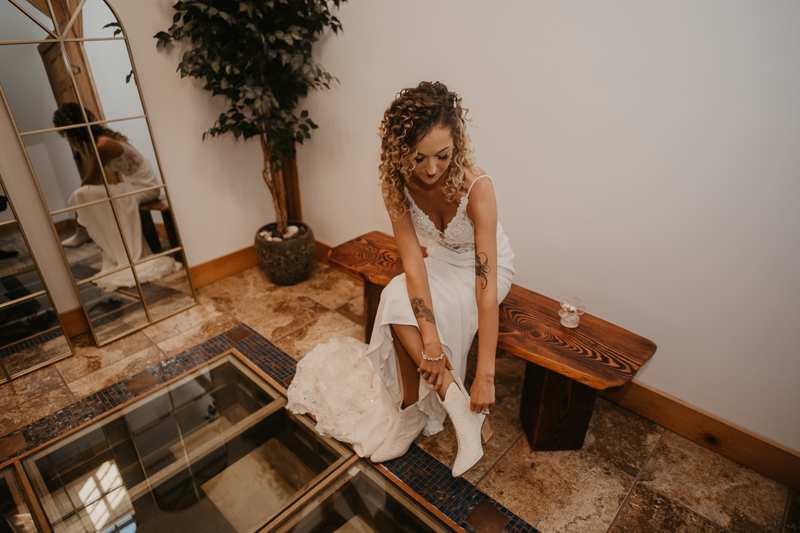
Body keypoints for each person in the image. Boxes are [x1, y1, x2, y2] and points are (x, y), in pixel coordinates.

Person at [288, 81, 514, 477]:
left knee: (400, 307)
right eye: (418, 157)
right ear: (400, 150)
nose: (430, 169)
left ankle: (448, 408)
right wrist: (430, 342)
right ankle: (425, 410)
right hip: (439, 261)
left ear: (457, 144)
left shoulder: (478, 190)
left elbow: (486, 286)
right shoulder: (396, 183)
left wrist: (486, 375)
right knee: (396, 297)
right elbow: (412, 262)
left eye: (442, 156)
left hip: (485, 271)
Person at [53, 103, 179, 291]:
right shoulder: (105, 138)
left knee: (83, 193)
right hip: (136, 185)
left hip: (146, 187)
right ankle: (83, 228)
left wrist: (82, 209)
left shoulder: (103, 145)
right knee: (93, 196)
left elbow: (90, 179)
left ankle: (83, 229)